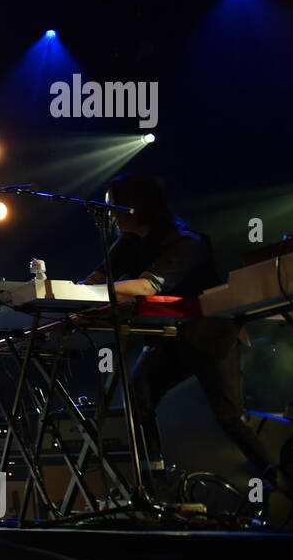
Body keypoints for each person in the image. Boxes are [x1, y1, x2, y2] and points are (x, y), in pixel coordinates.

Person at [80, 173, 271, 490]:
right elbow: (94, 281)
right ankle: (152, 482)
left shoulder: (186, 242)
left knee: (229, 417)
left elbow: (147, 286)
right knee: (137, 395)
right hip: (167, 338)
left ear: (136, 207)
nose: (109, 213)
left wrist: (93, 292)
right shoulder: (128, 243)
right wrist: (62, 291)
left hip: (210, 337)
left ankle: (280, 479)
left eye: (113, 206)